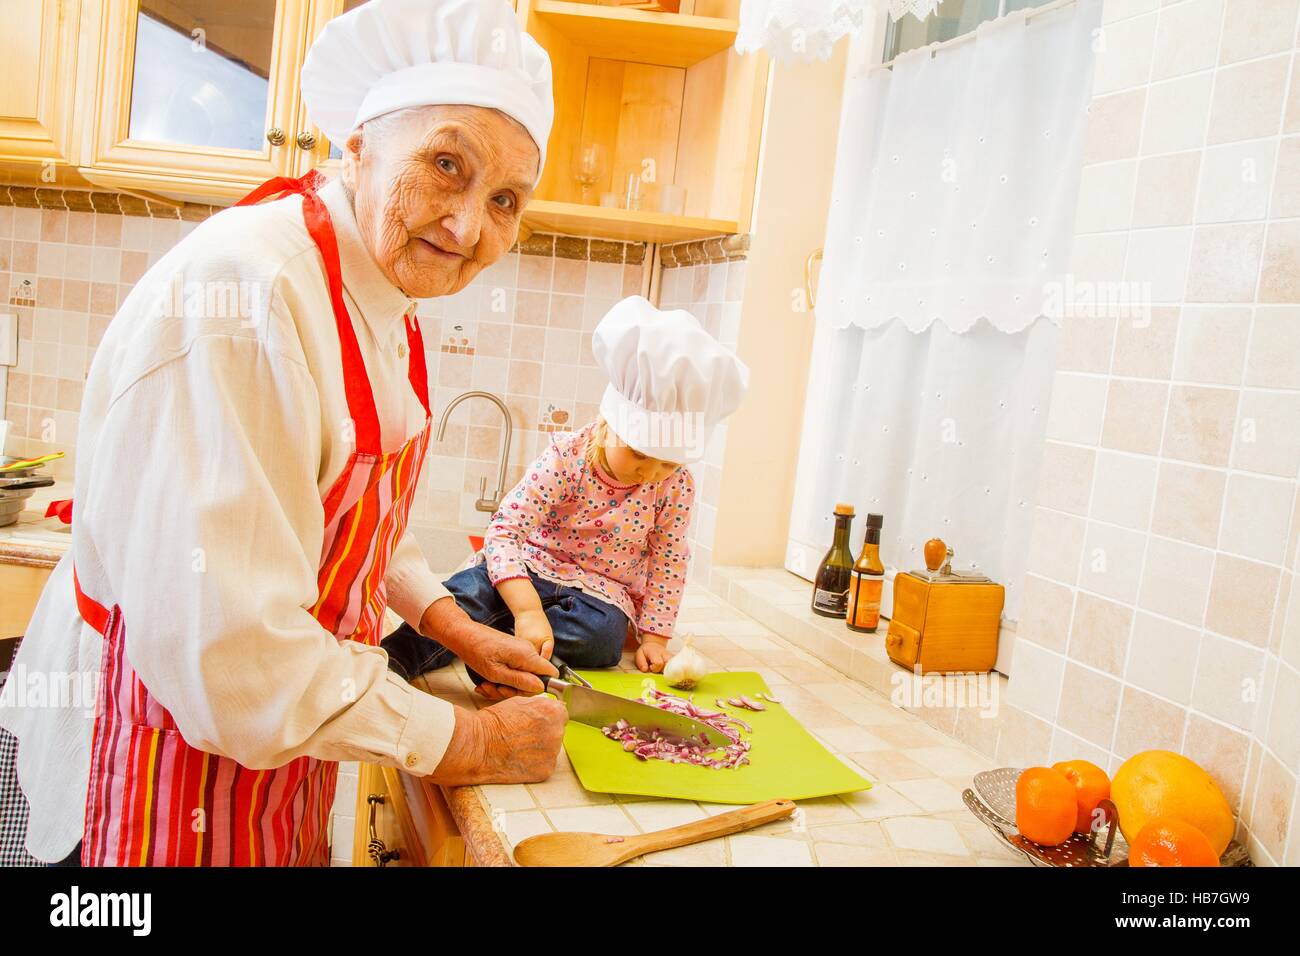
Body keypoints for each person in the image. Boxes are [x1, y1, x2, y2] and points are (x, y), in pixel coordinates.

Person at [0, 0, 567, 867]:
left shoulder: (385, 302)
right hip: (161, 751)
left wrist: (450, 622)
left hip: (276, 747)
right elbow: (229, 655)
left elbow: (346, 522)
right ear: (359, 147)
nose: (467, 227)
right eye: (445, 165)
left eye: (505, 200)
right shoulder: (253, 295)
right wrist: (469, 744)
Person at [381, 295, 749, 682]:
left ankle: (501, 651)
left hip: (596, 596)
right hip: (525, 569)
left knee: (602, 638)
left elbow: (668, 560)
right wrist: (526, 610)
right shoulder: (566, 458)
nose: (652, 472)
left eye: (670, 462)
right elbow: (505, 531)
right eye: (640, 452)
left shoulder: (675, 487)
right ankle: (401, 658)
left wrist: (655, 638)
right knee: (463, 596)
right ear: (607, 421)